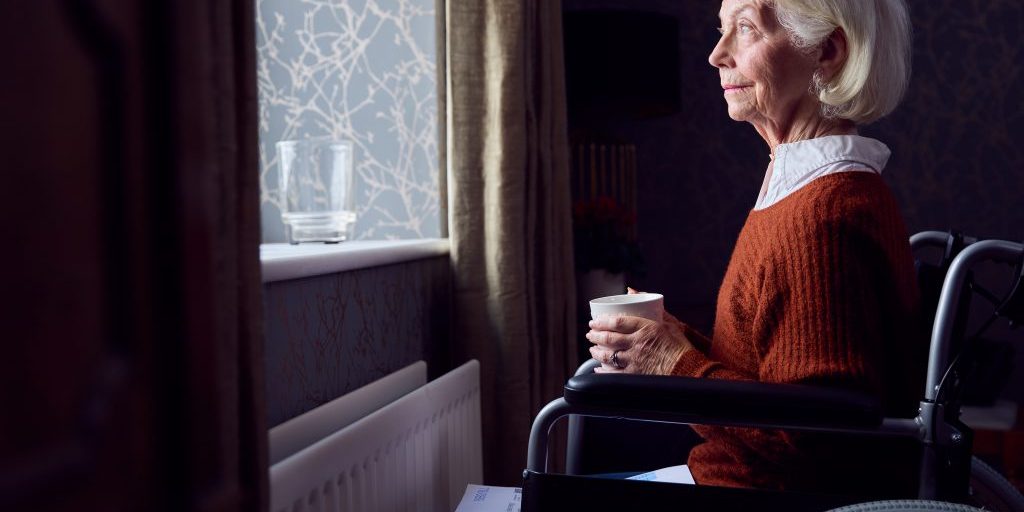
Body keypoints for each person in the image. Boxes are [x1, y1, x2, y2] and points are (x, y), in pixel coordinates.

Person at [586, 0, 926, 497]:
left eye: (745, 29)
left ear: (827, 51)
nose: (717, 54)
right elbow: (773, 382)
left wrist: (672, 363)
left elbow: (818, 440)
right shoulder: (806, 189)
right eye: (722, 30)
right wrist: (676, 342)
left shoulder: (823, 215)